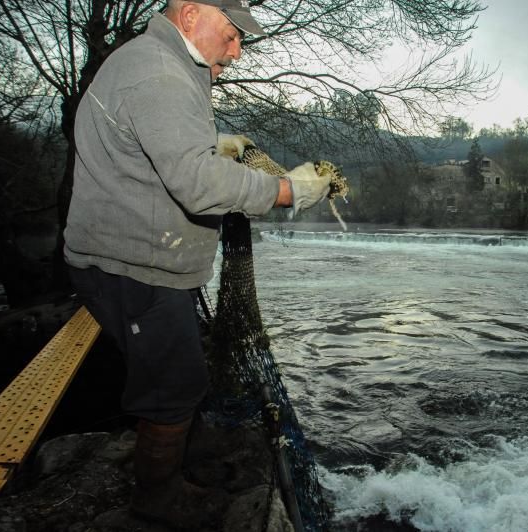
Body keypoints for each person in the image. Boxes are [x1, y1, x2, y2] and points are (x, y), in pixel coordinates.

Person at [63, 0, 331, 528]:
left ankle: (169, 467)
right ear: (190, 15)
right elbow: (198, 183)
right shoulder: (160, 73)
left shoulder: (158, 62)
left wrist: (212, 143)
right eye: (231, 35)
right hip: (131, 264)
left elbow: (153, 143)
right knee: (174, 386)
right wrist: (287, 191)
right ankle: (156, 500)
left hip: (139, 257)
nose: (236, 50)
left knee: (176, 376)